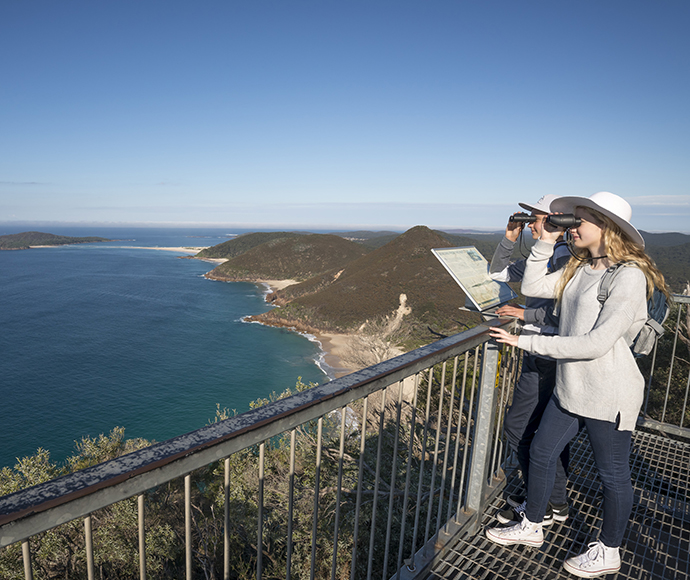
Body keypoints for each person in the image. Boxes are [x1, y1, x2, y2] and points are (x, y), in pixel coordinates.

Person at [485, 192, 669, 578]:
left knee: (612, 475)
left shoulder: (629, 276)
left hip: (608, 393)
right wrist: (546, 239)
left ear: (607, 228)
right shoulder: (580, 268)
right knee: (541, 451)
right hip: (572, 388)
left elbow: (596, 343)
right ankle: (533, 525)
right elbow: (534, 287)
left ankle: (609, 550)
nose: (570, 225)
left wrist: (525, 340)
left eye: (578, 220)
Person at [489, 194, 570, 526]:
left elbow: (568, 308)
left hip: (546, 354)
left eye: (534, 218)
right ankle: (557, 502)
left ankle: (545, 505)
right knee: (549, 432)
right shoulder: (543, 254)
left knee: (519, 429)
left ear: (554, 222)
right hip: (536, 346)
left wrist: (526, 311)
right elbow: (497, 274)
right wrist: (510, 238)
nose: (530, 224)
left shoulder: (565, 258)